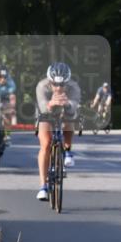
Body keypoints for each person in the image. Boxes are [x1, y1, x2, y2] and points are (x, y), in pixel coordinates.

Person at [35, 62, 81, 200]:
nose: (58, 88)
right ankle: (43, 186)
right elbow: (43, 107)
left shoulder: (74, 87)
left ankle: (68, 151)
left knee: (70, 119)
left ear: (67, 82)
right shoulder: (42, 86)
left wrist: (67, 104)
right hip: (45, 114)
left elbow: (74, 107)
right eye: (55, 84)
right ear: (50, 81)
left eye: (62, 85)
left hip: (65, 113)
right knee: (46, 144)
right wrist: (50, 103)